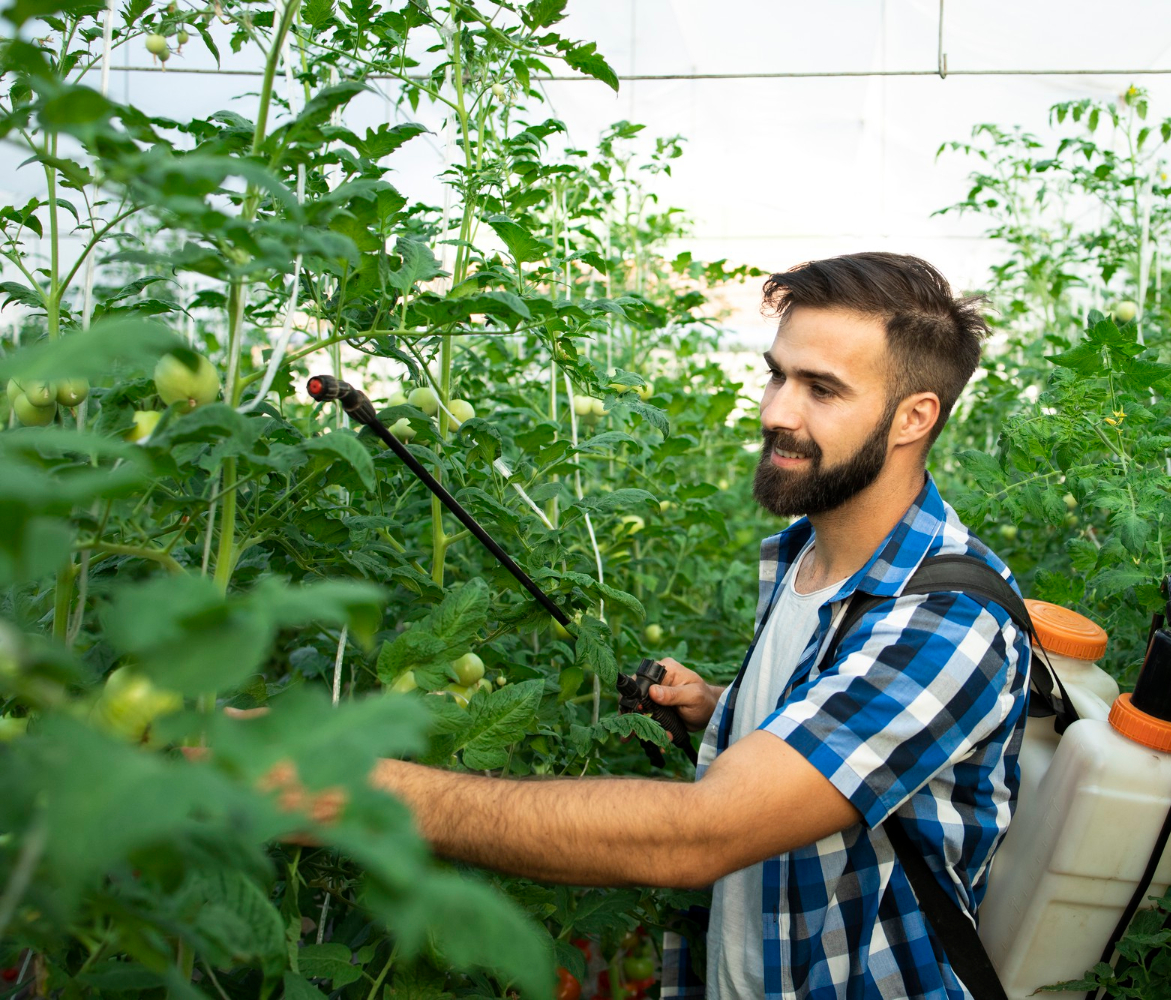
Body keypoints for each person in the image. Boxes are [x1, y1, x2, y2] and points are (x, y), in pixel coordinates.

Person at [372, 252, 1032, 998]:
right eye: (778, 374)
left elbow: (700, 834)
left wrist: (355, 791)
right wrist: (722, 709)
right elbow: (841, 733)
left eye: (822, 389)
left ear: (914, 417)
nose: (777, 412)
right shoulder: (807, 556)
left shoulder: (948, 620)